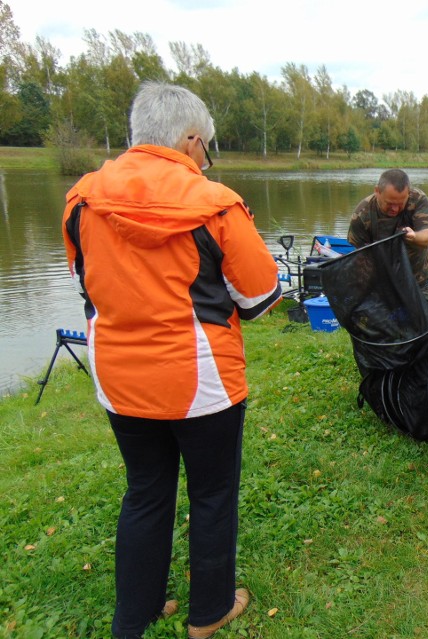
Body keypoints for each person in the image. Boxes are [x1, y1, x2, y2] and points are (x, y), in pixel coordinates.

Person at [62, 82, 282, 639]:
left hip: (119, 379)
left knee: (145, 491)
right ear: (189, 141)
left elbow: (84, 284)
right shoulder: (215, 204)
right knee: (211, 495)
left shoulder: (82, 201)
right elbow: (259, 296)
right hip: (200, 381)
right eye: (207, 146)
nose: (206, 157)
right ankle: (208, 613)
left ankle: (134, 616)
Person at [347, 169, 428, 301]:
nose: (395, 209)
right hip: (382, 287)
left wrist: (413, 237)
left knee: (421, 322)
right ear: (377, 191)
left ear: (408, 193)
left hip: (418, 282)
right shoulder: (362, 214)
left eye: (400, 204)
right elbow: (358, 257)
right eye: (390, 204)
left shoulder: (418, 199)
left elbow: (426, 237)